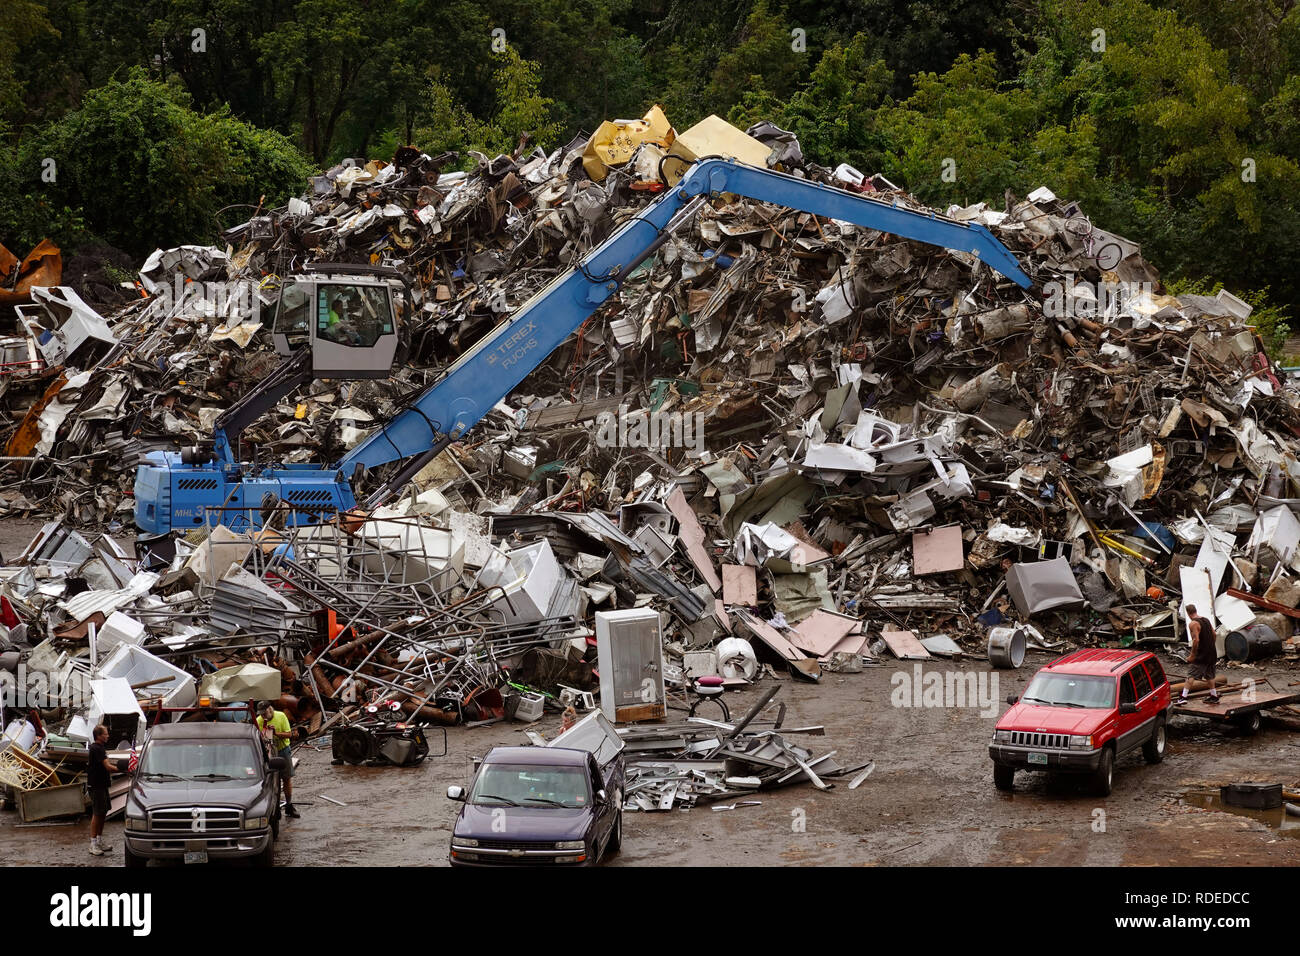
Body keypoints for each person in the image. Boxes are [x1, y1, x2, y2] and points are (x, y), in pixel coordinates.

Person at [257, 702, 299, 818]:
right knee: (270, 780)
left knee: (286, 778)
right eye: (261, 714)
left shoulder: (280, 716)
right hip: (268, 752)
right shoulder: (259, 721)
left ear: (270, 709)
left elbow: (289, 734)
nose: (263, 716)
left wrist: (276, 733)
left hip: (282, 750)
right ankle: (274, 806)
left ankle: (289, 805)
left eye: (265, 713)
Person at [87, 724, 119, 856]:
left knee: (103, 812)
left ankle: (99, 841)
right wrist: (124, 769)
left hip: (102, 785)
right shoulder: (97, 748)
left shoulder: (100, 748)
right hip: (96, 786)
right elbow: (107, 766)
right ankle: (93, 844)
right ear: (99, 736)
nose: (108, 735)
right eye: (105, 733)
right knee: (97, 813)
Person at [1179, 604, 1221, 704]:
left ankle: (1183, 697)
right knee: (1209, 676)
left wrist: (1192, 655)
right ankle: (1214, 696)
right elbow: (1214, 634)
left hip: (1202, 654)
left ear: (1188, 613)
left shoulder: (1193, 623)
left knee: (1191, 675)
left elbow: (1196, 640)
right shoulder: (1206, 619)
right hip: (1212, 653)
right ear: (1195, 611)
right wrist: (1210, 646)